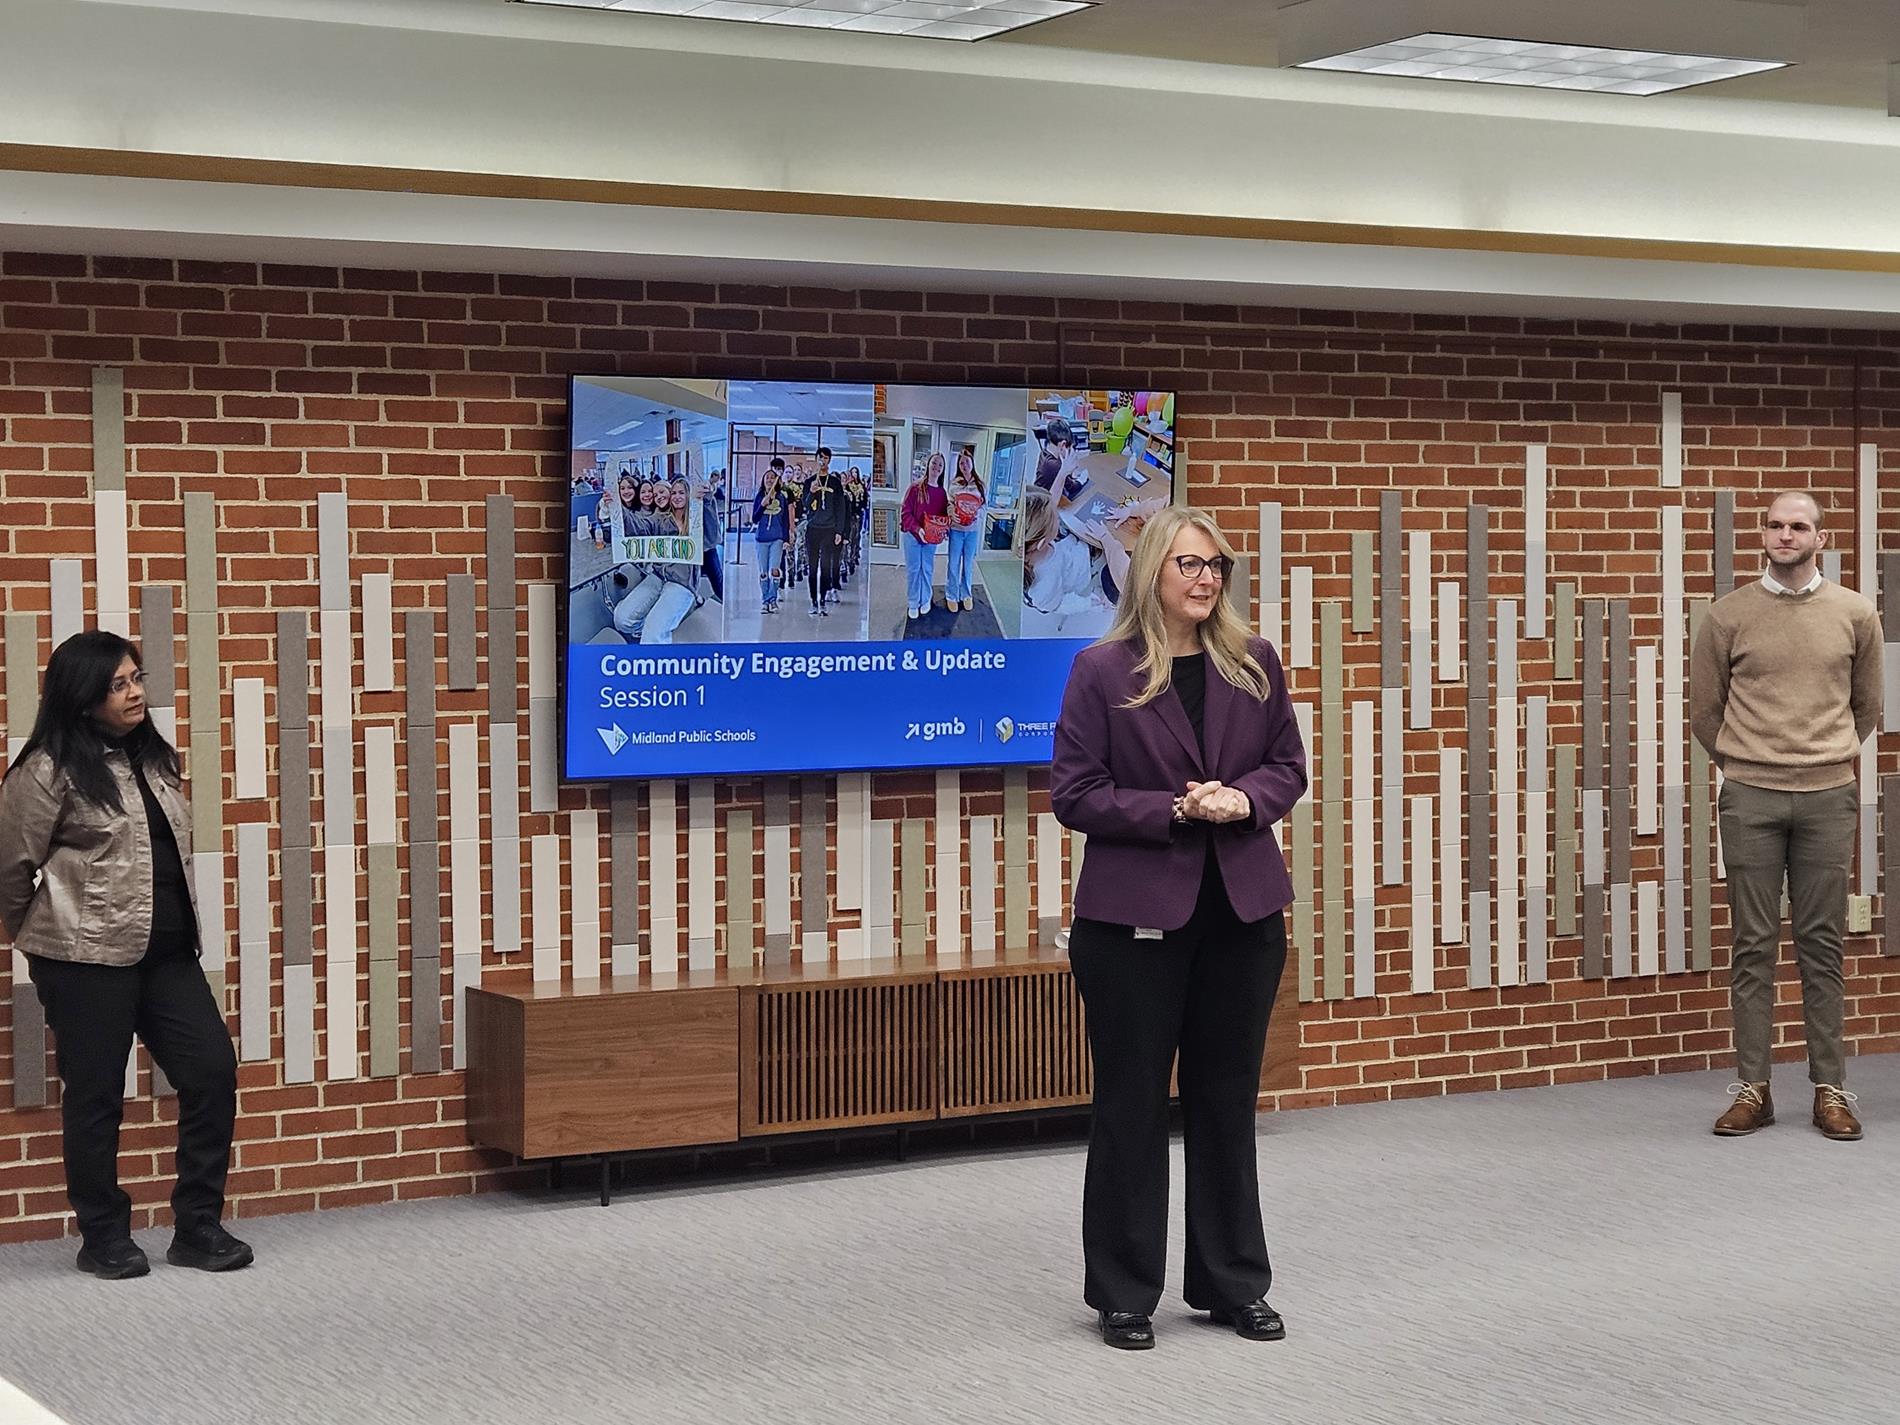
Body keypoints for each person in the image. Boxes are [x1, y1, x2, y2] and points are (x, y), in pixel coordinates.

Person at [1050, 506, 1306, 1351]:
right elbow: (1075, 793)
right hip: (1133, 921)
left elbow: (1287, 767)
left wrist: (1243, 799)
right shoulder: (1101, 670)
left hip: (1242, 913)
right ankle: (1123, 1291)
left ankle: (1233, 1282)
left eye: (1216, 565)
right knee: (1131, 1103)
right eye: (1189, 564)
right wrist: (1171, 808)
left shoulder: (1253, 661)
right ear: (1152, 572)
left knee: (1226, 1100)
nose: (1206, 579)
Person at [0, 630, 251, 1279]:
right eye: (118, 684)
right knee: (96, 1096)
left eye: (137, 677)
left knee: (211, 1072)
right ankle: (104, 1234)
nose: (135, 691)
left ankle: (197, 1225)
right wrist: (44, 941)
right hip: (83, 959)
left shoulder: (155, 758)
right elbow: (12, 869)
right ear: (83, 696)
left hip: (167, 955)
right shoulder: (46, 770)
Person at [1690, 490, 1884, 1141]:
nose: (1785, 534)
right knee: (1752, 944)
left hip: (1828, 797)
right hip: (1751, 797)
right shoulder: (1728, 615)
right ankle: (1754, 1089)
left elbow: (1866, 706)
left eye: (1798, 526)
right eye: (1774, 525)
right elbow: (1705, 711)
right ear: (1763, 535)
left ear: (1820, 538)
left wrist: (1821, 757)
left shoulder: (1854, 613)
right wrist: (1748, 764)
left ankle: (1830, 1090)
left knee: (1822, 945)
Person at [612, 477, 702, 644]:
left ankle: (655, 638)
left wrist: (707, 499)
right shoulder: (658, 519)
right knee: (621, 620)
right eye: (655, 494)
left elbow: (712, 536)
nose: (658, 496)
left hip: (682, 582)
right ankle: (654, 630)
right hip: (658, 576)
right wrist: (616, 506)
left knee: (652, 635)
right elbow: (639, 527)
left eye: (663, 492)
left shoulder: (696, 518)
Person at [900, 451, 949, 621]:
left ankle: (925, 599)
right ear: (928, 464)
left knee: (927, 569)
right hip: (912, 536)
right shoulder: (915, 488)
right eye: (934, 463)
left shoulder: (942, 493)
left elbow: (943, 516)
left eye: (940, 465)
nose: (936, 467)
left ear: (943, 469)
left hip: (930, 539)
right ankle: (913, 602)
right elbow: (905, 512)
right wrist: (917, 529)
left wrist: (943, 530)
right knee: (914, 570)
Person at [800, 446, 847, 618]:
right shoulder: (809, 482)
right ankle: (813, 601)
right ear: (816, 459)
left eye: (826, 458)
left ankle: (823, 599)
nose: (823, 461)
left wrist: (840, 531)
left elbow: (841, 508)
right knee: (812, 567)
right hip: (813, 529)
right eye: (820, 457)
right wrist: (812, 493)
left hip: (829, 529)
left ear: (829, 461)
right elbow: (805, 505)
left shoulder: (835, 482)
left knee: (826, 566)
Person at [945, 449, 986, 613]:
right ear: (958, 465)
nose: (964, 465)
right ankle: (951, 595)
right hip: (956, 530)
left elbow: (984, 506)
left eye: (967, 462)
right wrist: (950, 513)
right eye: (961, 463)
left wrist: (977, 515)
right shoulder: (954, 484)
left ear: (972, 463)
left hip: (972, 532)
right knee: (953, 563)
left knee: (968, 564)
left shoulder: (980, 484)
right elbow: (949, 504)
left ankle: (966, 594)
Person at [752, 458, 793, 614]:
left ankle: (772, 599)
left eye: (772, 477)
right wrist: (762, 506)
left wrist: (786, 539)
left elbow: (785, 520)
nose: (769, 480)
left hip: (777, 539)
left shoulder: (782, 498)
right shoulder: (759, 496)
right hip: (761, 538)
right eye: (767, 477)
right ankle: (765, 600)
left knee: (775, 569)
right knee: (763, 571)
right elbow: (754, 519)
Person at [700, 468, 727, 604]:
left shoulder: (710, 497)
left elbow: (713, 524)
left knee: (717, 580)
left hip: (707, 546)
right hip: (695, 547)